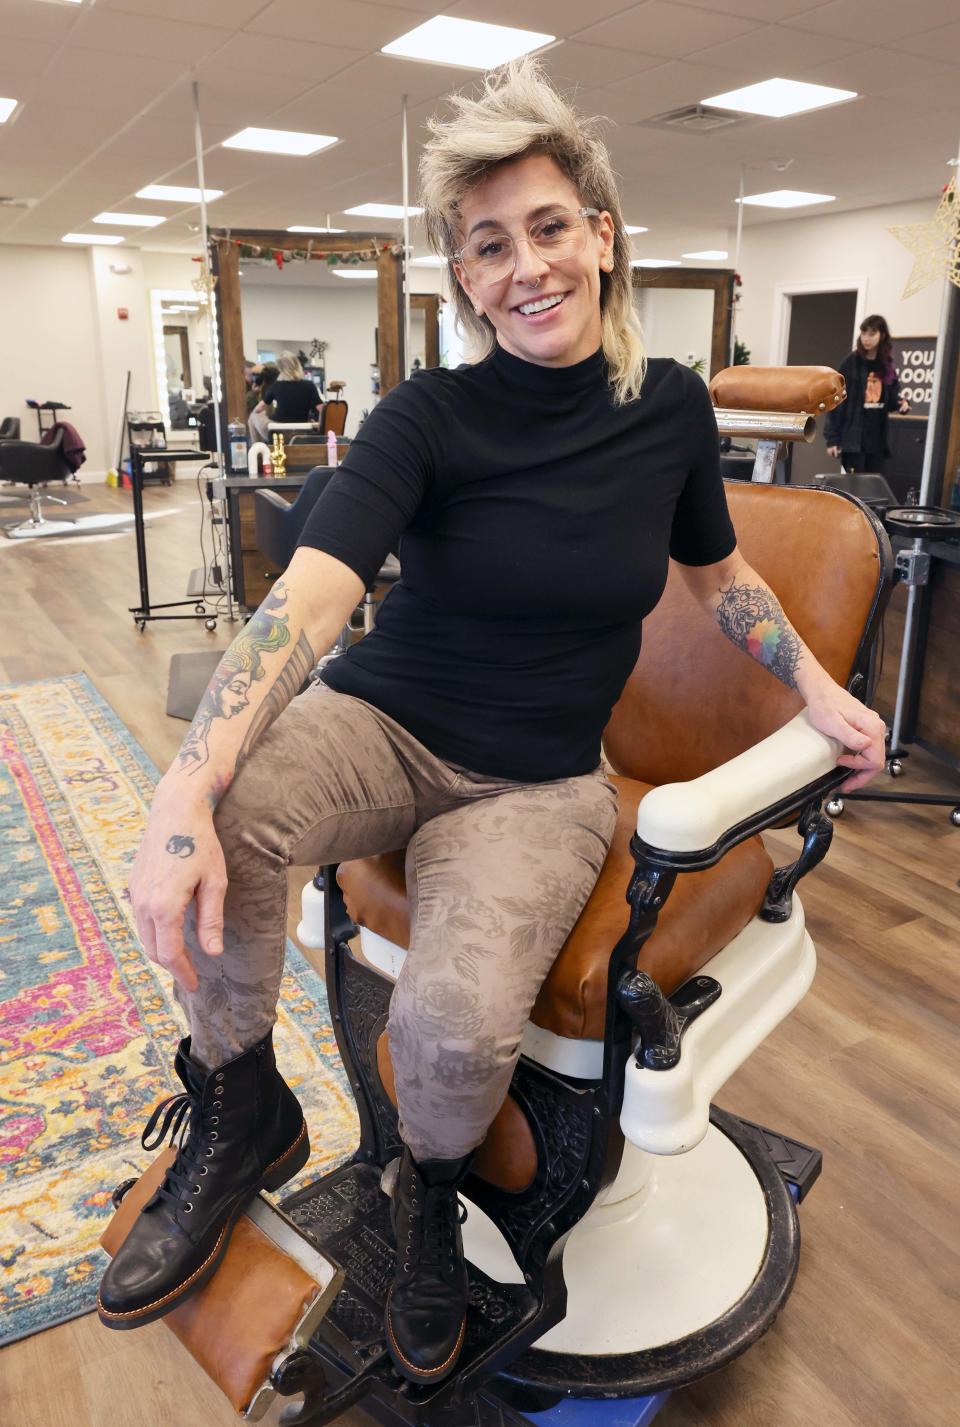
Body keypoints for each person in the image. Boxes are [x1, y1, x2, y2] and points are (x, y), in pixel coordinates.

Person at [98, 59, 887, 1384]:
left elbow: (720, 575)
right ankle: (241, 1106)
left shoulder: (670, 411)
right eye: (487, 244)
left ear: (602, 234)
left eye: (548, 227)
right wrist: (182, 791)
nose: (525, 266)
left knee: (455, 1033)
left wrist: (818, 688)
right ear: (462, 277)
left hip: (538, 782)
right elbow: (305, 602)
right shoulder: (428, 417)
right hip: (384, 722)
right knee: (225, 819)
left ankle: (428, 1200)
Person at [825, 314, 909, 474]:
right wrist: (832, 439)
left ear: (882, 335)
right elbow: (835, 402)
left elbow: (892, 399)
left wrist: (903, 404)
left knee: (871, 490)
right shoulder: (850, 363)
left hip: (877, 442)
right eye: (864, 333)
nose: (866, 338)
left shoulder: (886, 365)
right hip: (853, 442)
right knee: (855, 489)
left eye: (872, 334)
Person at [248, 352, 319, 442]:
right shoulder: (310, 385)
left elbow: (258, 409)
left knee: (253, 416)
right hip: (302, 431)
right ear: (298, 366)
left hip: (278, 433)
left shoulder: (276, 386)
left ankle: (258, 450)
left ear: (280, 370)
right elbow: (321, 409)